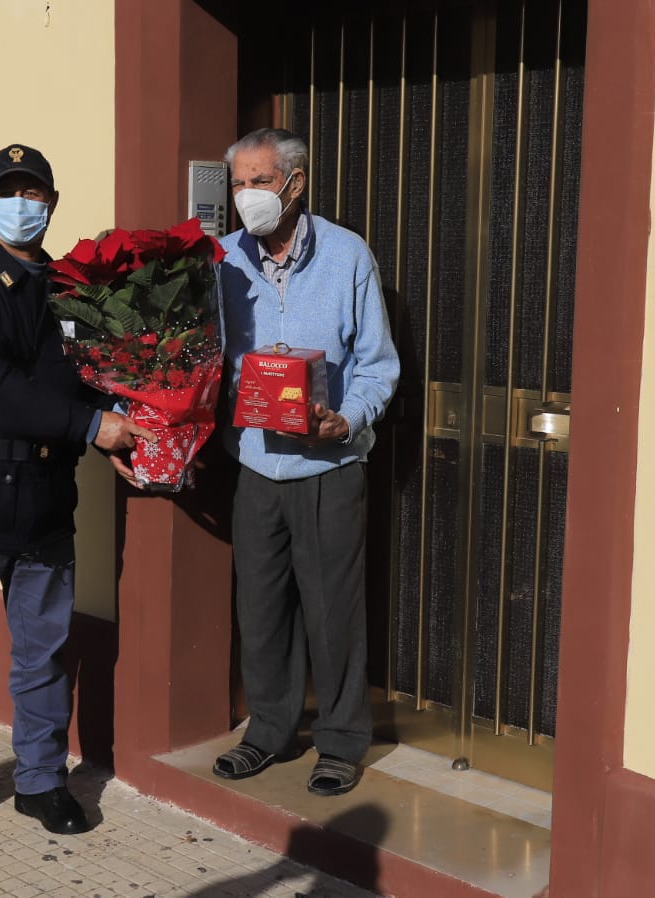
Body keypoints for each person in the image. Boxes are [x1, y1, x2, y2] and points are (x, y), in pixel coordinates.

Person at [0, 143, 155, 850]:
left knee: (43, 653)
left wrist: (129, 432)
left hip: (46, 501)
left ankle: (41, 782)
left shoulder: (74, 291)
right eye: (8, 192)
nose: (22, 204)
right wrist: (93, 426)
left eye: (34, 193)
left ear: (51, 203)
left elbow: (91, 381)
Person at [214, 128, 400, 796]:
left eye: (260, 181)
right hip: (255, 465)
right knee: (261, 610)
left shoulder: (347, 256)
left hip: (328, 470)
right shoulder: (222, 260)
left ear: (295, 183)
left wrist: (346, 419)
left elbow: (377, 365)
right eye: (239, 183)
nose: (247, 196)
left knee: (332, 613)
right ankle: (269, 731)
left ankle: (341, 741)